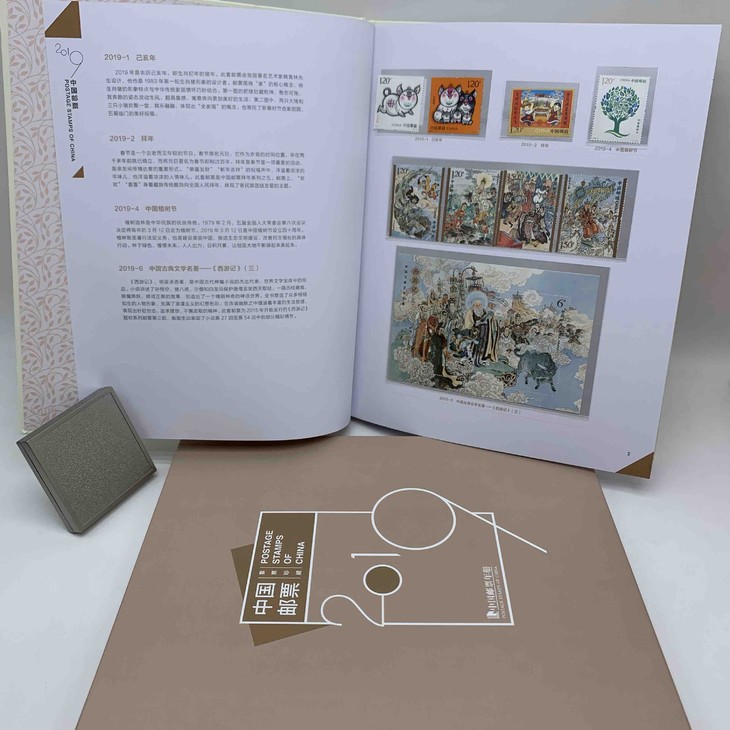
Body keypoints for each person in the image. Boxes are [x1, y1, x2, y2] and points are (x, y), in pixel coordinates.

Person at [463, 299, 501, 366]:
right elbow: (468, 323)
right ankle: (474, 360)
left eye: (479, 305)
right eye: (476, 305)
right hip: (476, 332)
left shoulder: (485, 312)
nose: (478, 307)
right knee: (476, 346)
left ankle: (481, 360)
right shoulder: (471, 312)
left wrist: (491, 319)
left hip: (485, 332)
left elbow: (490, 319)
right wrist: (474, 324)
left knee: (484, 345)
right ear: (473, 306)